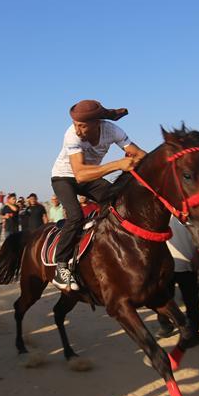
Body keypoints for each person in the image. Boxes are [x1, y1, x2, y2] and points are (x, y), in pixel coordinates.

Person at [49, 99, 146, 290]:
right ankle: (61, 267)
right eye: (76, 124)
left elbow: (140, 154)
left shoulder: (112, 130)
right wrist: (118, 164)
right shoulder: (72, 135)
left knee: (117, 202)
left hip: (89, 176)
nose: (78, 129)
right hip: (64, 177)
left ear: (97, 123)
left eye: (82, 125)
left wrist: (147, 161)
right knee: (76, 216)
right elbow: (80, 174)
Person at [157, 216, 199, 339]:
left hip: (187, 263)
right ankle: (165, 324)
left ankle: (194, 330)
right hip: (165, 266)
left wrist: (197, 254)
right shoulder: (159, 214)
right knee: (163, 299)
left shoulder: (187, 214)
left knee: (191, 300)